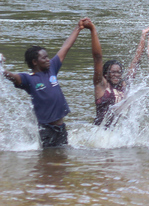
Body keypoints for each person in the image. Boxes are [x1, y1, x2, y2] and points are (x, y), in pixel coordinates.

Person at [2, 19, 88, 147]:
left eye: (48, 57)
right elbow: (12, 76)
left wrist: (78, 28)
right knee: (47, 162)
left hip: (61, 128)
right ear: (35, 62)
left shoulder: (52, 68)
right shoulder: (28, 79)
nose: (48, 60)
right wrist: (1, 68)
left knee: (61, 161)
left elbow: (66, 47)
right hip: (46, 130)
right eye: (44, 58)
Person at [87, 20, 149, 127]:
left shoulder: (123, 85)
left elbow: (136, 61)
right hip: (101, 132)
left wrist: (144, 35)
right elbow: (97, 58)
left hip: (118, 132)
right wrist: (92, 30)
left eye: (119, 72)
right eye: (113, 72)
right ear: (105, 74)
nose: (117, 75)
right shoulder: (101, 85)